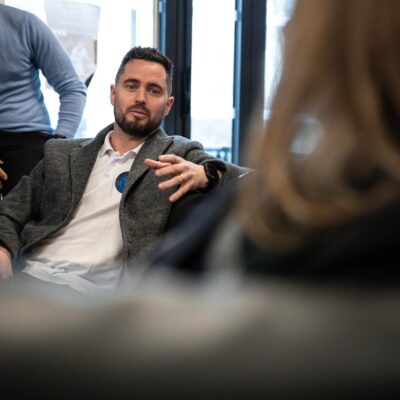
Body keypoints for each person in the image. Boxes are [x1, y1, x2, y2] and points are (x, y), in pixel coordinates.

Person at [0, 46, 243, 295]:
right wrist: (3, 249)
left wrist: (208, 174)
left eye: (154, 90)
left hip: (90, 296)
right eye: (131, 86)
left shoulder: (177, 153)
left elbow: (252, 178)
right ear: (113, 94)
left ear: (168, 105)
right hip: (26, 277)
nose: (141, 97)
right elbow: (10, 211)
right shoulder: (61, 154)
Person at [0, 4, 87, 197]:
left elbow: (72, 88)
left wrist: (60, 145)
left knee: (23, 206)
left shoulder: (25, 25)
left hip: (26, 138)